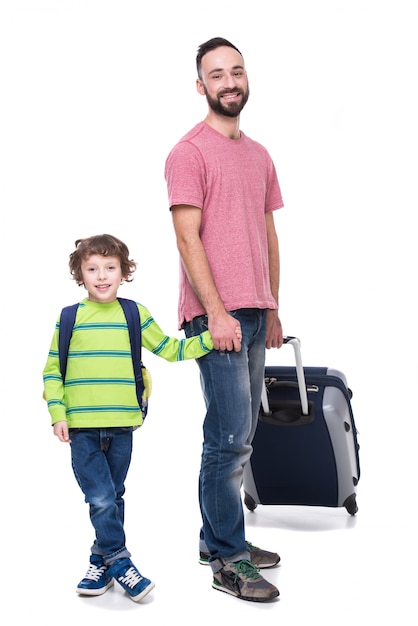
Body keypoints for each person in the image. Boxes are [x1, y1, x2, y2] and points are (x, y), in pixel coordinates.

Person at [165, 37, 285, 603]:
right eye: (217, 75)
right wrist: (215, 312)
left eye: (236, 71)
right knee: (229, 438)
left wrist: (273, 305)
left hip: (256, 311)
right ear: (201, 86)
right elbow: (187, 238)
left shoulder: (259, 154)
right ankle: (230, 560)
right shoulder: (188, 153)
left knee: (241, 435)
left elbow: (267, 233)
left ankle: (215, 538)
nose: (229, 82)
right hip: (214, 316)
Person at [42, 233, 221, 603]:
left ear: (124, 272)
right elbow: (52, 372)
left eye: (110, 267)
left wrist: (208, 339)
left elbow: (170, 349)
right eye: (92, 268)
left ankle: (99, 559)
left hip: (123, 424)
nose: (102, 275)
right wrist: (57, 413)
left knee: (113, 495)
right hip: (81, 428)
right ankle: (121, 563)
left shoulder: (133, 313)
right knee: (102, 497)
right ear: (80, 274)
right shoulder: (69, 317)